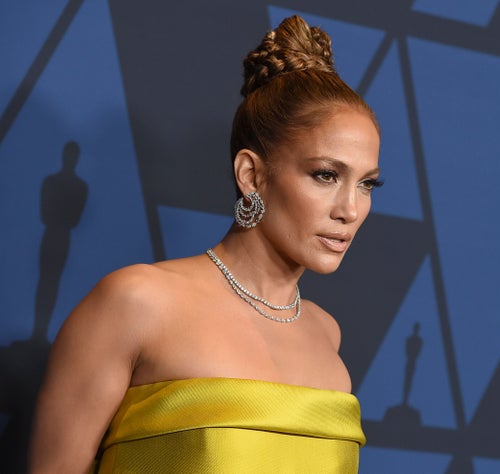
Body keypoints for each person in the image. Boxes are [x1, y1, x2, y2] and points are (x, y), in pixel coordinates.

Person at [29, 14, 381, 473]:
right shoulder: (136, 303)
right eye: (326, 175)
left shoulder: (326, 334)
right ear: (251, 175)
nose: (350, 209)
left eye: (368, 184)